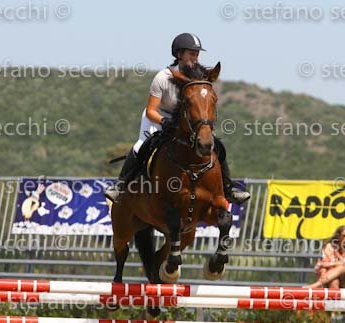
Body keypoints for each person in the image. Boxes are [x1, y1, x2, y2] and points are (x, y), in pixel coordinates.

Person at [104, 33, 250, 205]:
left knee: (216, 146)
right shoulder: (162, 78)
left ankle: (229, 189)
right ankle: (120, 186)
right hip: (160, 117)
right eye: (191, 53)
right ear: (179, 54)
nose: (195, 58)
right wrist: (163, 121)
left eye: (197, 54)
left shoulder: (199, 78)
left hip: (187, 121)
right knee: (140, 146)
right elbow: (151, 110)